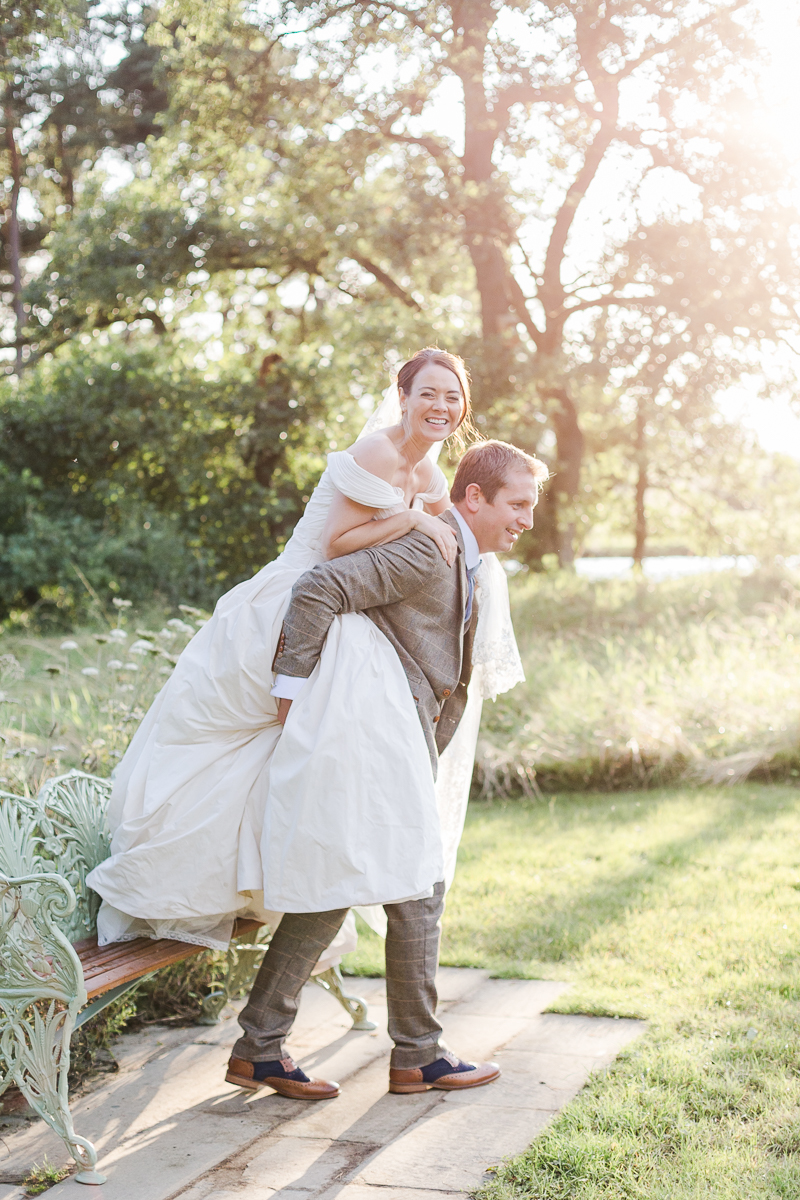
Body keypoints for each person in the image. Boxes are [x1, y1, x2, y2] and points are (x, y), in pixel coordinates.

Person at [87, 348, 523, 965]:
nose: (441, 406)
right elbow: (334, 547)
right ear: (403, 397)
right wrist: (416, 525)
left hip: (344, 619)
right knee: (247, 738)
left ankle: (253, 876)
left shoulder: (427, 477)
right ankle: (171, 869)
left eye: (453, 397)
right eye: (428, 392)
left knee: (287, 760)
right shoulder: (376, 452)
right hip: (290, 603)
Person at [225, 440, 547, 1100]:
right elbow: (319, 588)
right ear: (475, 497)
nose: (527, 520)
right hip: (368, 735)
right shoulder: (431, 547)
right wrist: (292, 695)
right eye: (517, 505)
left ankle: (262, 1045)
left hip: (398, 738)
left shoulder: (469, 557)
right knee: (417, 884)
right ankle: (417, 1055)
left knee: (345, 886)